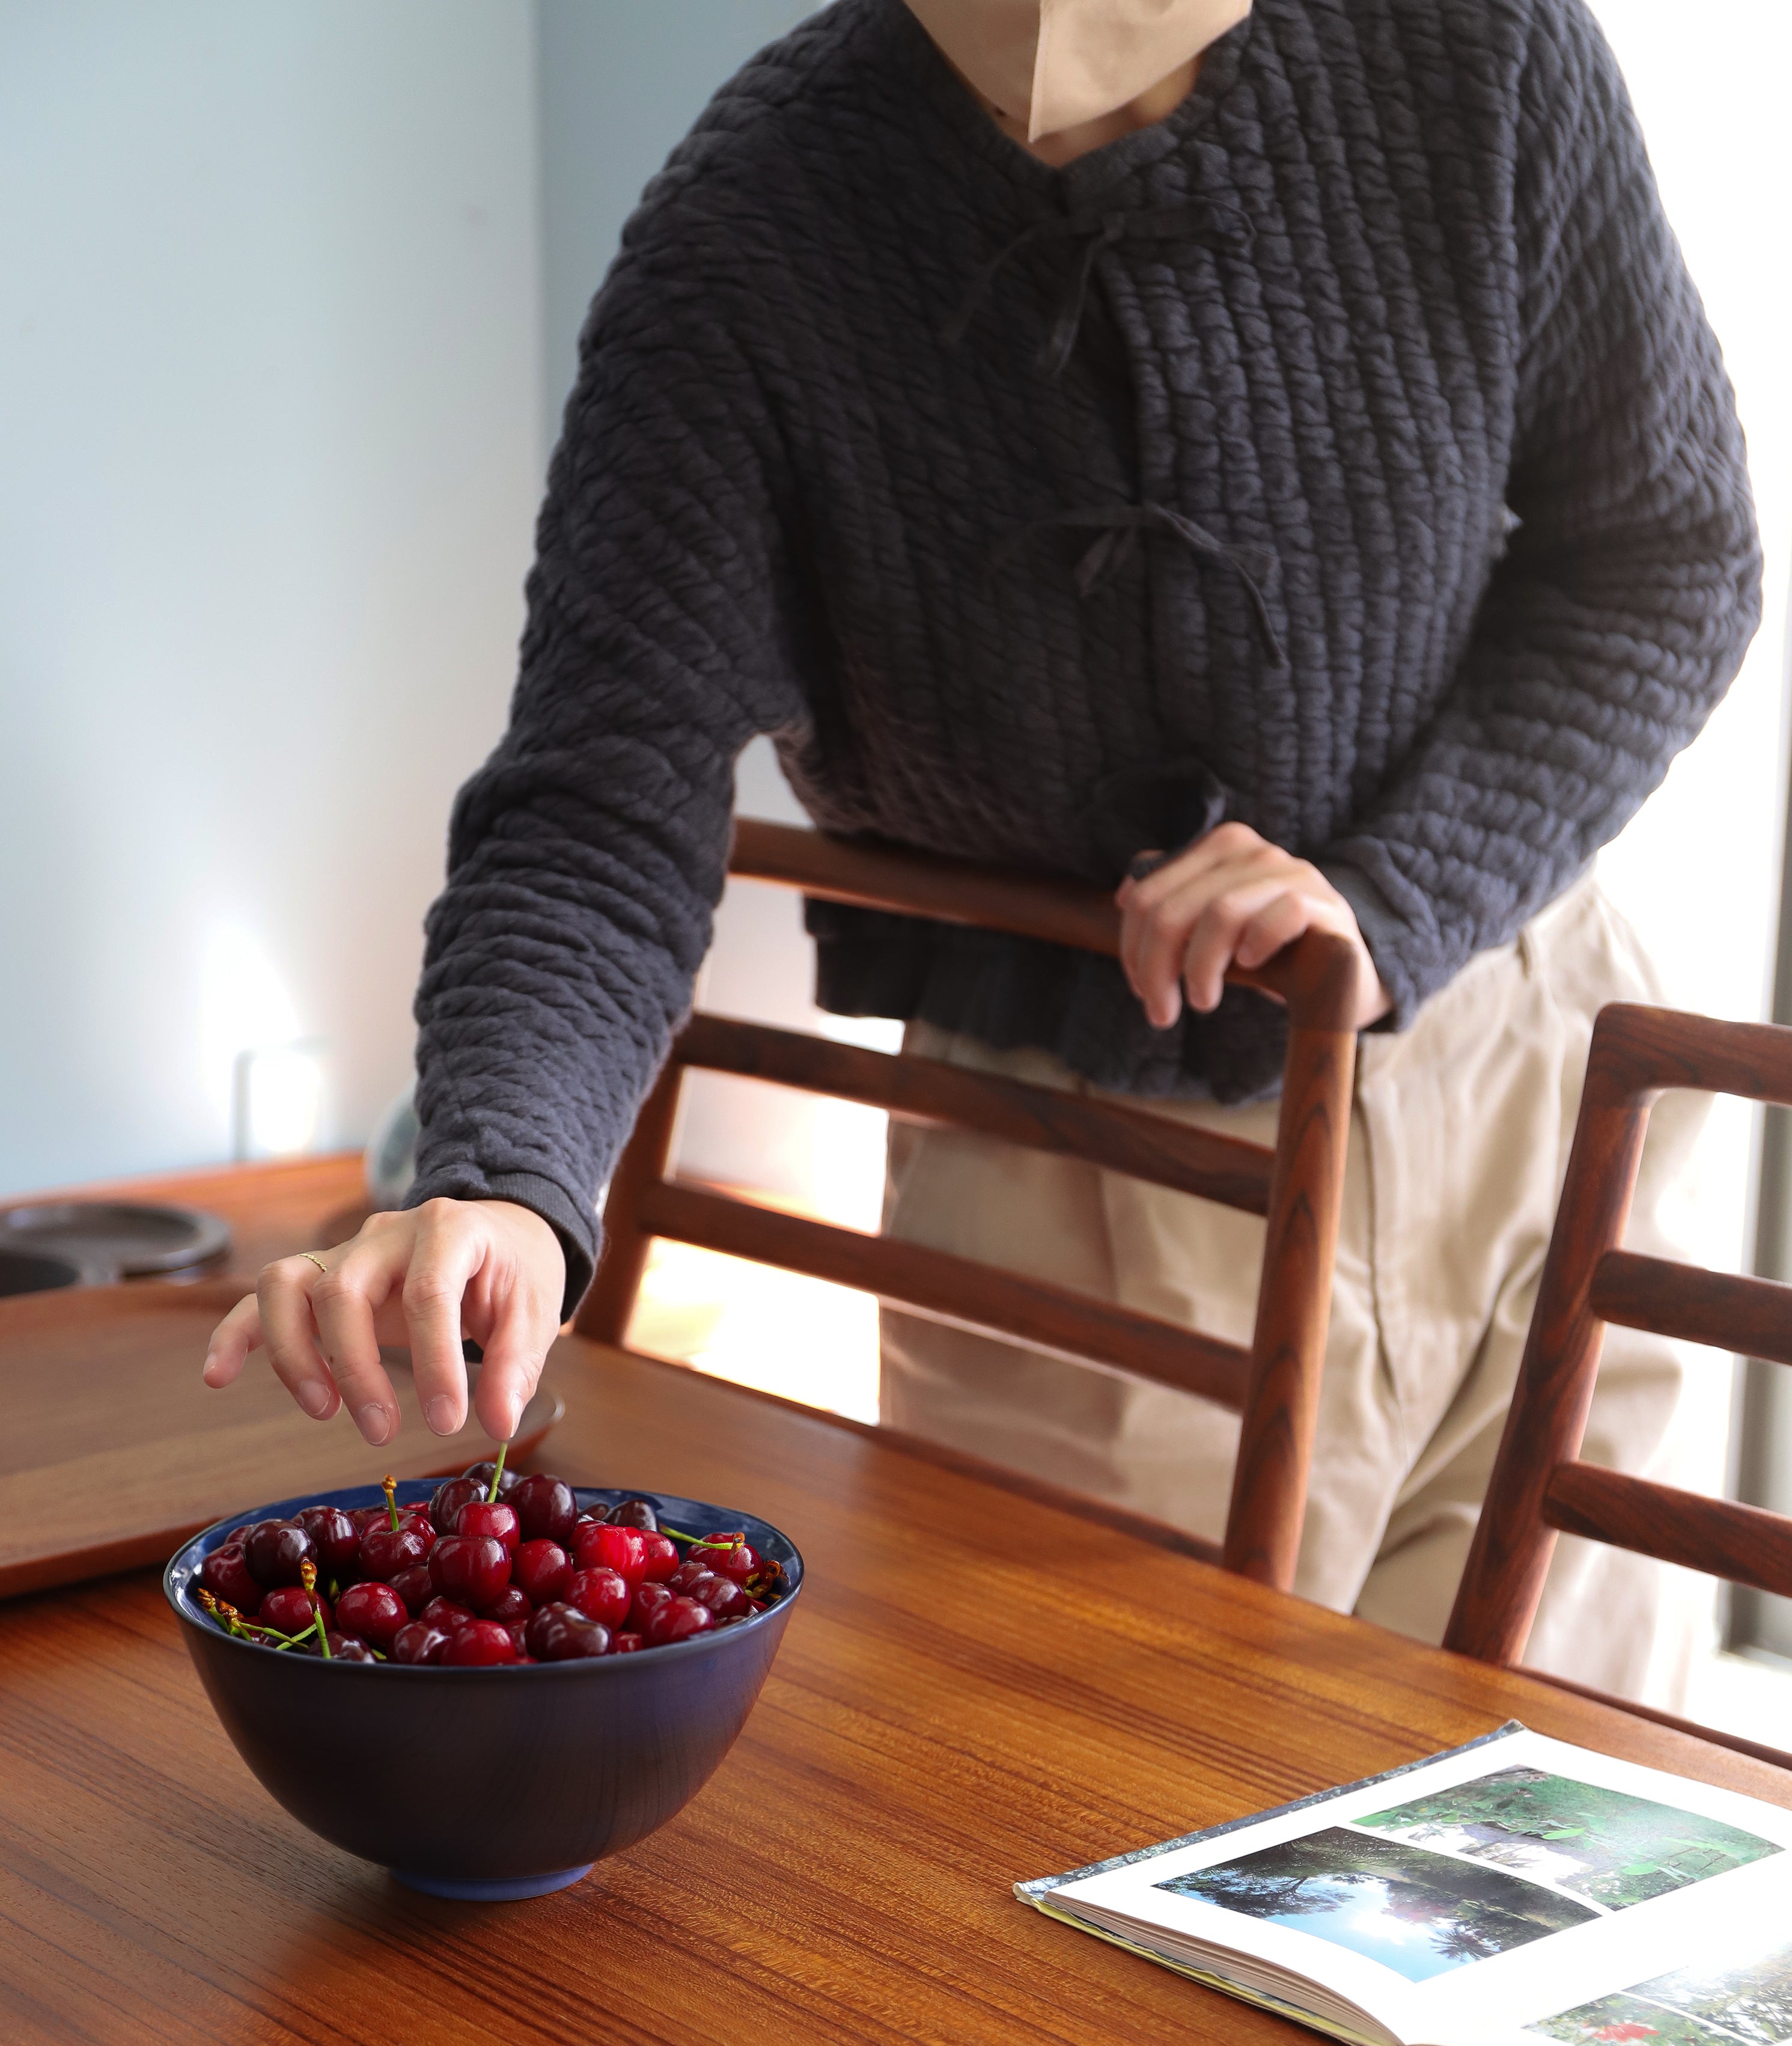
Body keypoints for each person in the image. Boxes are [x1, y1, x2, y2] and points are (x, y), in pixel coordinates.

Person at [204, 0, 1760, 1691]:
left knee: (1558, 1838)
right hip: (1075, 1178)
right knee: (1084, 1832)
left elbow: (1668, 552)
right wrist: (507, 1174)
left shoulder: (1481, 49)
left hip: (1530, 1080)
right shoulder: (755, 229)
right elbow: (599, 796)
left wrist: (1403, 890)